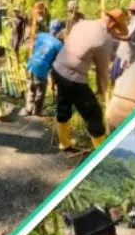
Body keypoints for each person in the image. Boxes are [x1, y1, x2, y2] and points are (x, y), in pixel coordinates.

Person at [51, 10, 128, 151]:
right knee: (95, 115)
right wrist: (103, 90)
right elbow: (102, 70)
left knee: (64, 104)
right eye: (116, 28)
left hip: (57, 69)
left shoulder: (83, 23)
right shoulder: (105, 39)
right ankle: (101, 151)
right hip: (73, 78)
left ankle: (64, 143)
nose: (115, 31)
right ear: (113, 24)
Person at [20, 29, 63, 117]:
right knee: (40, 90)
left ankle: (28, 109)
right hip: (41, 67)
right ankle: (37, 111)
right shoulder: (59, 45)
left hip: (31, 63)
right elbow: (57, 63)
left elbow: (33, 39)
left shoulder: (43, 35)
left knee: (31, 87)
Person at [111, 1, 135, 82]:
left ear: (132, 11)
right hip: (122, 52)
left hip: (126, 54)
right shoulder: (134, 21)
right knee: (114, 74)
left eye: (129, 10)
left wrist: (115, 36)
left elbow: (128, 37)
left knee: (118, 77)